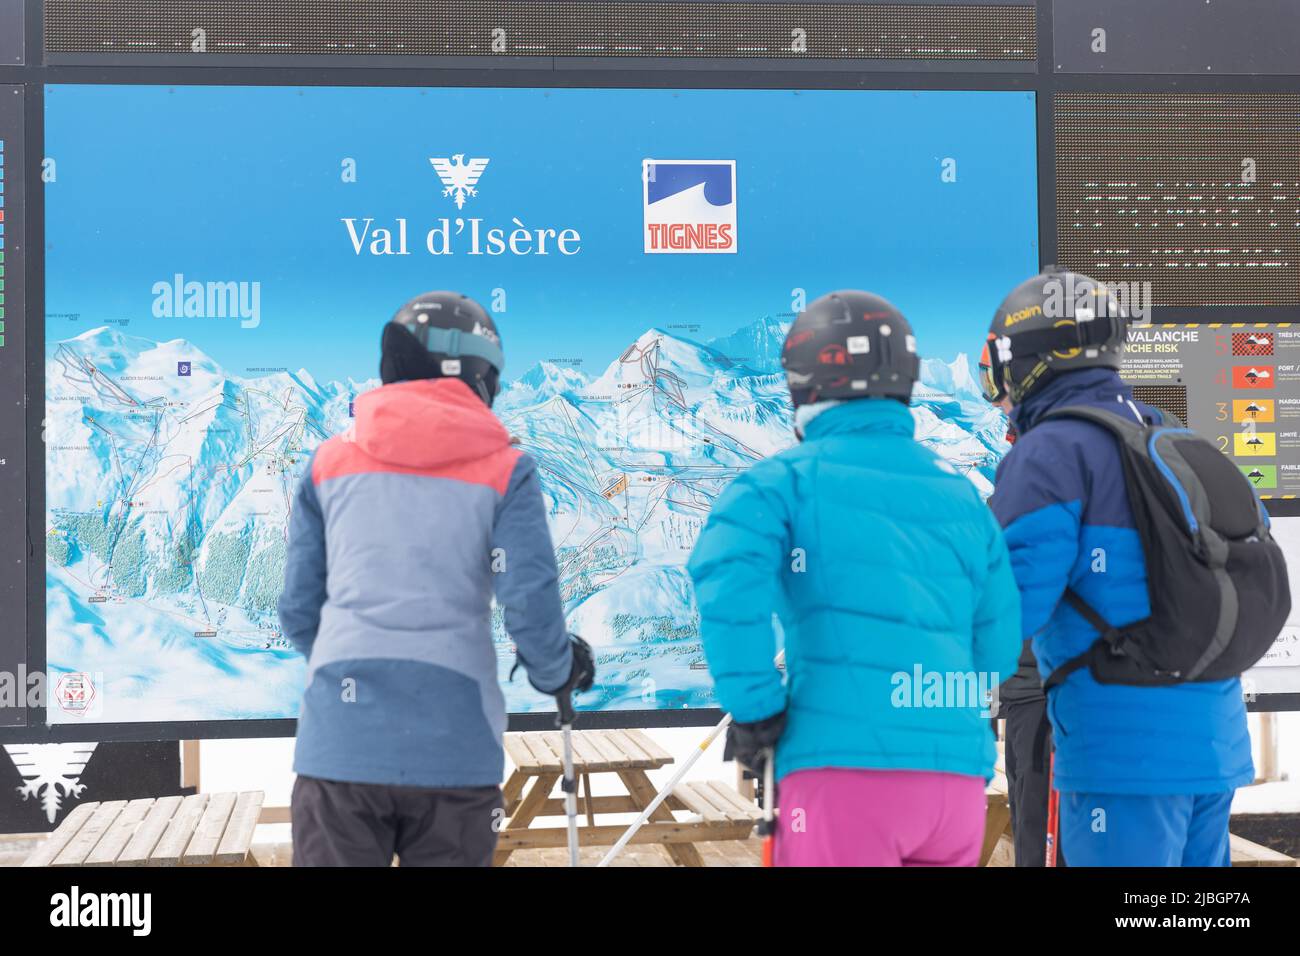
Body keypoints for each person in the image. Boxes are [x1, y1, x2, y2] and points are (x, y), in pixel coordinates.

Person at [688, 290, 1022, 867]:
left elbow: (725, 583)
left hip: (840, 773)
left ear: (801, 382)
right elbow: (997, 646)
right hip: (957, 781)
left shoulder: (777, 482)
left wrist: (756, 711)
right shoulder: (960, 492)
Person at [278, 290, 594, 866]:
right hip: (455, 754)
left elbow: (300, 610)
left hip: (340, 749)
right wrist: (558, 670)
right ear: (480, 375)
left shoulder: (327, 464)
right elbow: (528, 601)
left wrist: (347, 673)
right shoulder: (507, 469)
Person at [983, 269, 1253, 866]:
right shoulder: (1172, 438)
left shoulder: (1050, 454)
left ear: (1030, 359)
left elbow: (1000, 614)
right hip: (1214, 747)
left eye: (997, 364)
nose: (998, 387)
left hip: (1123, 759)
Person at [977, 348, 1060, 867]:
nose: (997, 403)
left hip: (1049, 693)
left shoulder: (1045, 465)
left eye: (997, 388)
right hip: (1048, 688)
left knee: (1046, 837)